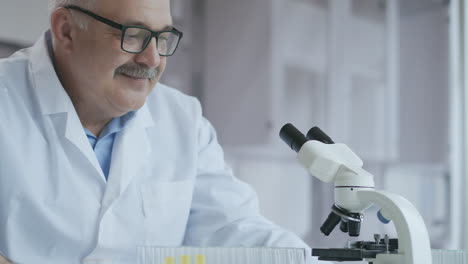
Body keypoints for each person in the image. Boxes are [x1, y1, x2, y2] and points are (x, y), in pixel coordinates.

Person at [0, 0, 318, 263]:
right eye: (133, 35)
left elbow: (233, 227)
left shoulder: (182, 119)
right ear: (67, 31)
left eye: (163, 38)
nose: (151, 59)